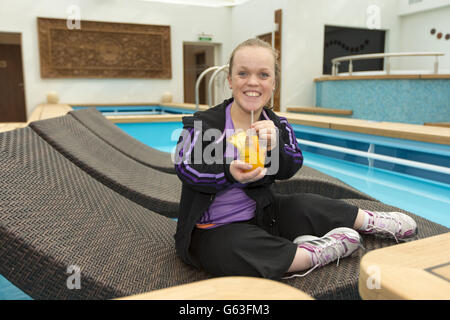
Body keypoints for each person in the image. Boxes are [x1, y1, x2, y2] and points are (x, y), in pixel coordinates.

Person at [174, 38, 417, 280]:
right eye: (243, 73)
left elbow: (291, 165)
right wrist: (229, 172)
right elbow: (185, 167)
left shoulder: (277, 125)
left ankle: (369, 222)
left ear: (274, 83)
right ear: (229, 79)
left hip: (262, 216)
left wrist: (275, 145)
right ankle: (310, 254)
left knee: (306, 203)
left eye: (263, 75)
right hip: (211, 231)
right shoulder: (202, 124)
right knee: (232, 248)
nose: (252, 82)